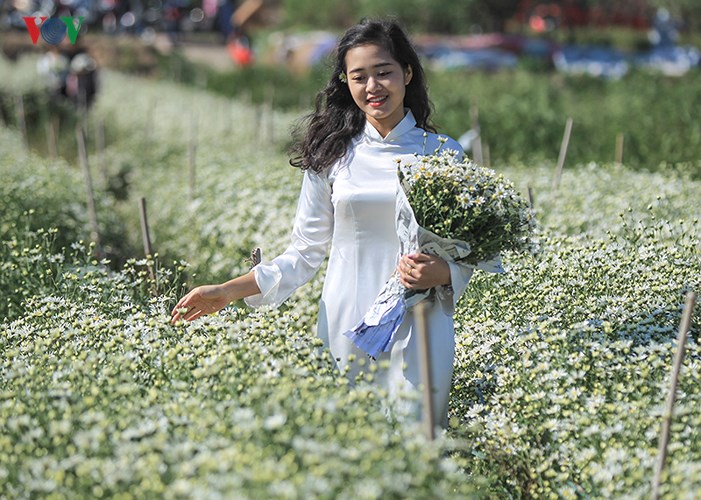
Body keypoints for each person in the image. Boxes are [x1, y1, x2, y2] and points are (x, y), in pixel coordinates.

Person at [171, 18, 471, 426]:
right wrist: (228, 290)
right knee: (352, 444)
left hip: (421, 323)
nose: (373, 87)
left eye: (383, 72)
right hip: (347, 319)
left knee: (418, 443)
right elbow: (303, 253)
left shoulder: (445, 154)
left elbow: (470, 250)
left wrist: (444, 271)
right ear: (345, 84)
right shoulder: (333, 155)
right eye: (359, 77)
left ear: (407, 72)